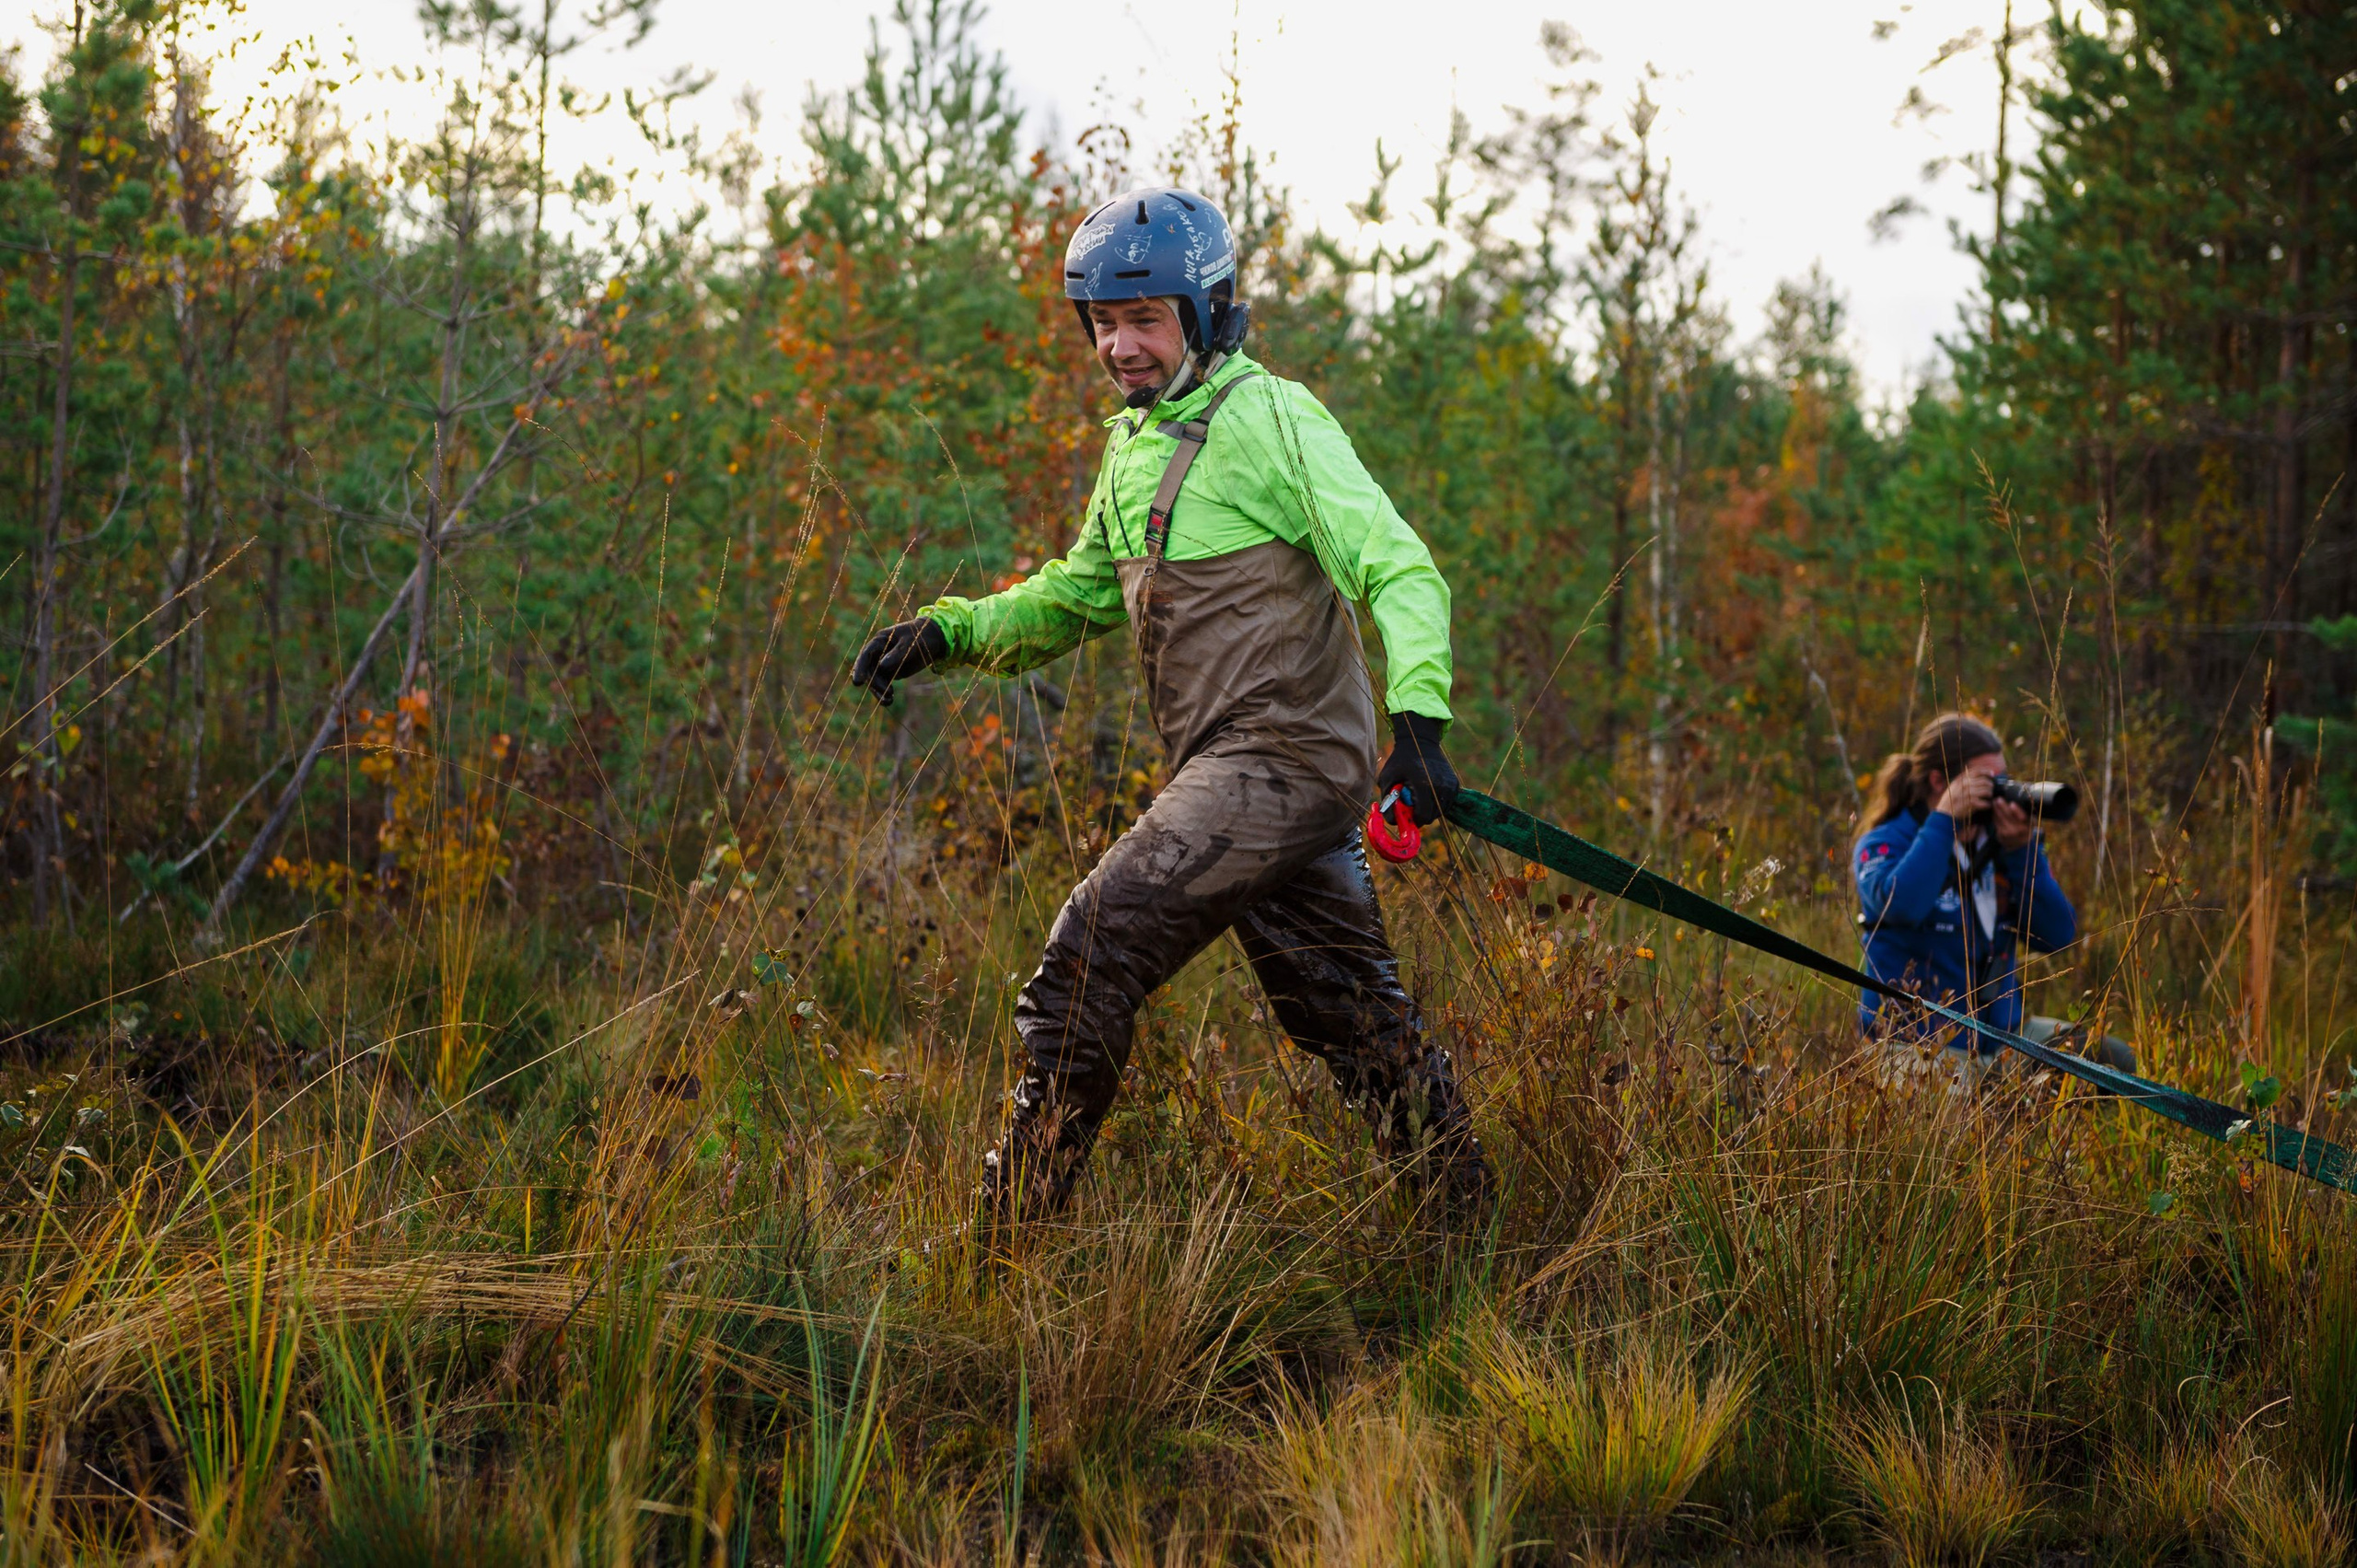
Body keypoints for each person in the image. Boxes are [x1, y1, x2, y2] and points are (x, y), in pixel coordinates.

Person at [850, 187, 1489, 1222]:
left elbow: (1399, 566)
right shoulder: (1137, 447)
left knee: (1087, 955)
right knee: (1356, 1027)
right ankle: (1474, 1234)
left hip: (1278, 761)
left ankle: (1003, 1243)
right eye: (1102, 323)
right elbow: (1077, 592)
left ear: (1207, 309)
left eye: (1143, 319)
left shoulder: (1270, 418)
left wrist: (1419, 727)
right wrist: (950, 631)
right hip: (1249, 783)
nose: (1120, 346)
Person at [1853, 713, 2133, 1079]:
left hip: (2002, 1039)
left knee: (2113, 1062)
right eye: (1988, 781)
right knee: (1966, 1109)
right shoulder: (1886, 843)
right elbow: (1903, 905)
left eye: (2005, 779)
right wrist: (1943, 822)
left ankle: (2010, 1100)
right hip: (1915, 1045)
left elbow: (2058, 935)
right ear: (1940, 781)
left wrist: (2021, 851)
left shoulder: (2000, 846)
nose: (2000, 789)